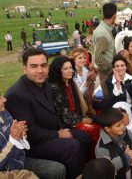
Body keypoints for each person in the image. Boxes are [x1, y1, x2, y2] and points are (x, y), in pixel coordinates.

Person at [5, 48, 90, 179]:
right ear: (24, 68)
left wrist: (61, 127)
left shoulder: (45, 84)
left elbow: (53, 112)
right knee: (72, 146)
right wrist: (58, 134)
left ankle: (78, 170)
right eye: (34, 66)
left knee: (84, 137)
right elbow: (31, 132)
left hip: (51, 131)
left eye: (44, 65)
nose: (40, 70)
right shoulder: (16, 95)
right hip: (34, 144)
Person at [0, 95, 66, 179]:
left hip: (20, 159)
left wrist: (21, 135)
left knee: (59, 170)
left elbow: (17, 138)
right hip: (6, 171)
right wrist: (13, 140)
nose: (4, 100)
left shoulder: (4, 113)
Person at [95, 108, 132, 179]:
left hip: (131, 172)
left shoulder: (124, 130)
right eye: (118, 125)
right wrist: (126, 157)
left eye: (122, 122)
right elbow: (107, 169)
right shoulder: (101, 148)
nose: (123, 126)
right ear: (107, 129)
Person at [93, 3, 117, 98]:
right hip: (107, 73)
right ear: (114, 16)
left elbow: (105, 51)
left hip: (107, 72)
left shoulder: (104, 29)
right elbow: (99, 58)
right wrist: (111, 70)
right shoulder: (103, 33)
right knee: (109, 98)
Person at [70, 48, 97, 114]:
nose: (83, 60)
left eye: (84, 58)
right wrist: (87, 81)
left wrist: (92, 80)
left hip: (88, 102)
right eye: (80, 58)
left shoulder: (85, 70)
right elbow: (76, 95)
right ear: (74, 59)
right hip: (78, 106)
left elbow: (90, 89)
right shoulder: (71, 73)